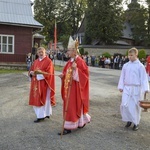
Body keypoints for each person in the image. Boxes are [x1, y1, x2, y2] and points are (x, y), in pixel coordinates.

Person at [58, 36, 91, 135]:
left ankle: (68, 127)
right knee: (74, 106)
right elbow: (66, 72)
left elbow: (85, 76)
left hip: (76, 90)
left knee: (73, 107)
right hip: (69, 88)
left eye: (69, 50)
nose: (67, 52)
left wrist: (76, 70)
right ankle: (81, 122)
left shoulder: (80, 61)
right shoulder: (70, 62)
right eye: (68, 50)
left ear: (74, 51)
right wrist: (62, 76)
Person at [118, 47, 149, 131]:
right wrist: (121, 86)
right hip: (127, 88)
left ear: (136, 55)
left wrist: (146, 88)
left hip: (136, 89)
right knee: (124, 104)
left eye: (131, 55)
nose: (129, 57)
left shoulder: (140, 66)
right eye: (129, 55)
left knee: (135, 106)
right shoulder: (126, 65)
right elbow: (122, 76)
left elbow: (144, 78)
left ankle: (136, 122)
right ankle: (128, 120)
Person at [29, 47, 56, 123]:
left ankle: (42, 115)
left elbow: (49, 73)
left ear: (45, 53)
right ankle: (43, 114)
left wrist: (37, 75)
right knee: (37, 99)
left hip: (44, 84)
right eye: (39, 52)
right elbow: (31, 69)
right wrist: (31, 73)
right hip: (35, 83)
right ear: (37, 53)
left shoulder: (48, 61)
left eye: (42, 52)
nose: (40, 53)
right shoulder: (36, 61)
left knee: (44, 99)